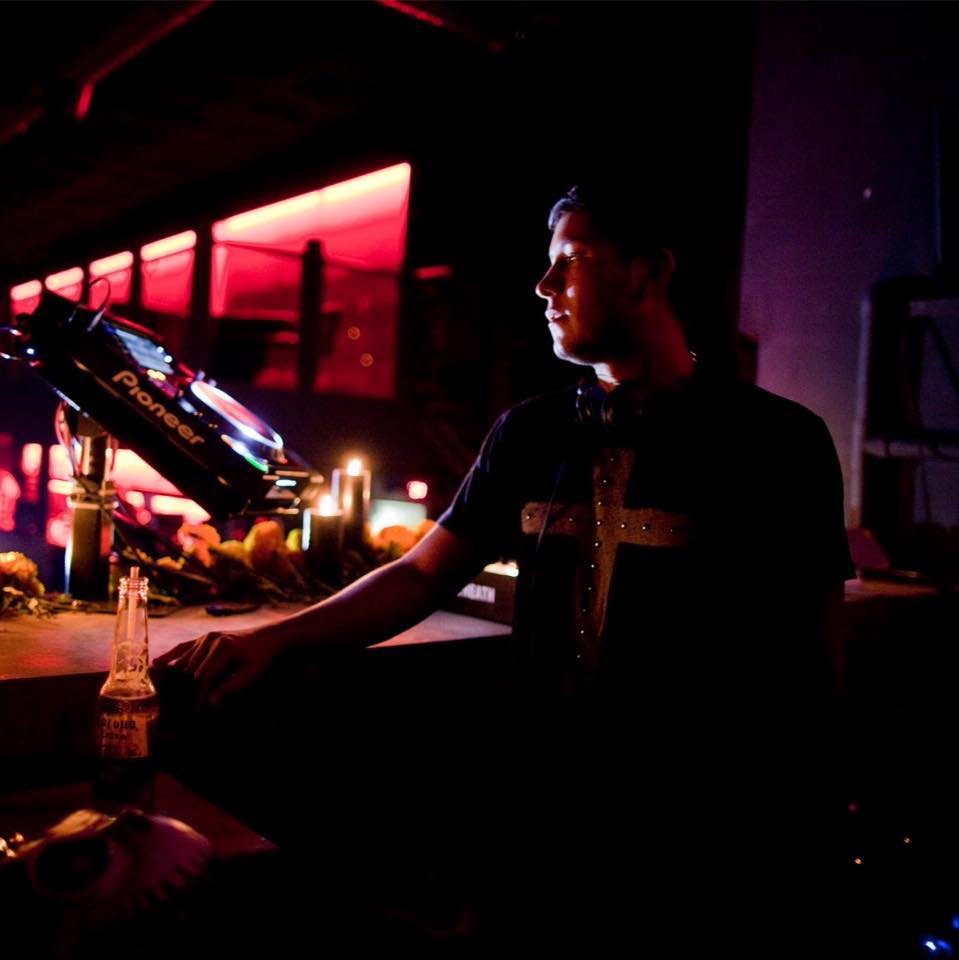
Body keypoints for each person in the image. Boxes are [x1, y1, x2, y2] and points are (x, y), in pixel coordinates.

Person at [155, 181, 855, 948]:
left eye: (571, 260)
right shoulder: (531, 432)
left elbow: (812, 649)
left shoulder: (775, 441)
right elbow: (422, 573)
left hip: (707, 823)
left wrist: (812, 819)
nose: (544, 285)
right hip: (544, 805)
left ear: (647, 272)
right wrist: (270, 639)